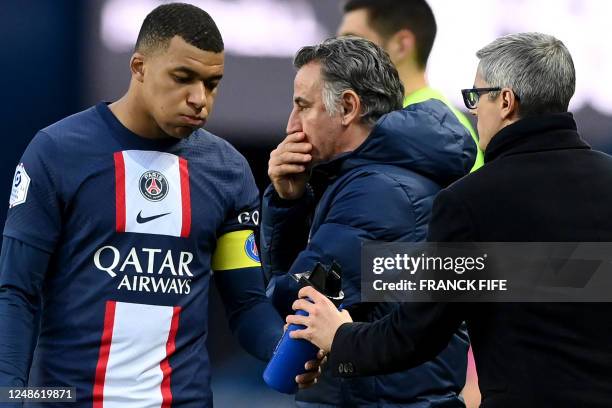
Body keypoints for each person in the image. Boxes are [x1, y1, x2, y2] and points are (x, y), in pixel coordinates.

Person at [0, 3, 321, 407]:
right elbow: (17, 292)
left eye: (212, 83)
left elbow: (246, 305)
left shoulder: (228, 172)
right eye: (183, 78)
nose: (199, 99)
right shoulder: (56, 153)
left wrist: (284, 351)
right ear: (138, 67)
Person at [287, 32, 612, 407]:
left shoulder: (470, 201)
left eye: (476, 96)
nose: (473, 110)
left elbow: (416, 335)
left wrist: (341, 337)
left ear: (505, 101)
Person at [262, 36, 475, 407]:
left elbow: (298, 297)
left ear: (347, 107)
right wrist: (289, 201)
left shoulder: (378, 191)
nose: (290, 125)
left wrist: (286, 209)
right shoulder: (377, 178)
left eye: (303, 106)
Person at [338, 0, 484, 172]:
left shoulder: (442, 130)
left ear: (401, 45)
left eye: (352, 42)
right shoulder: (436, 122)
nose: (338, 55)